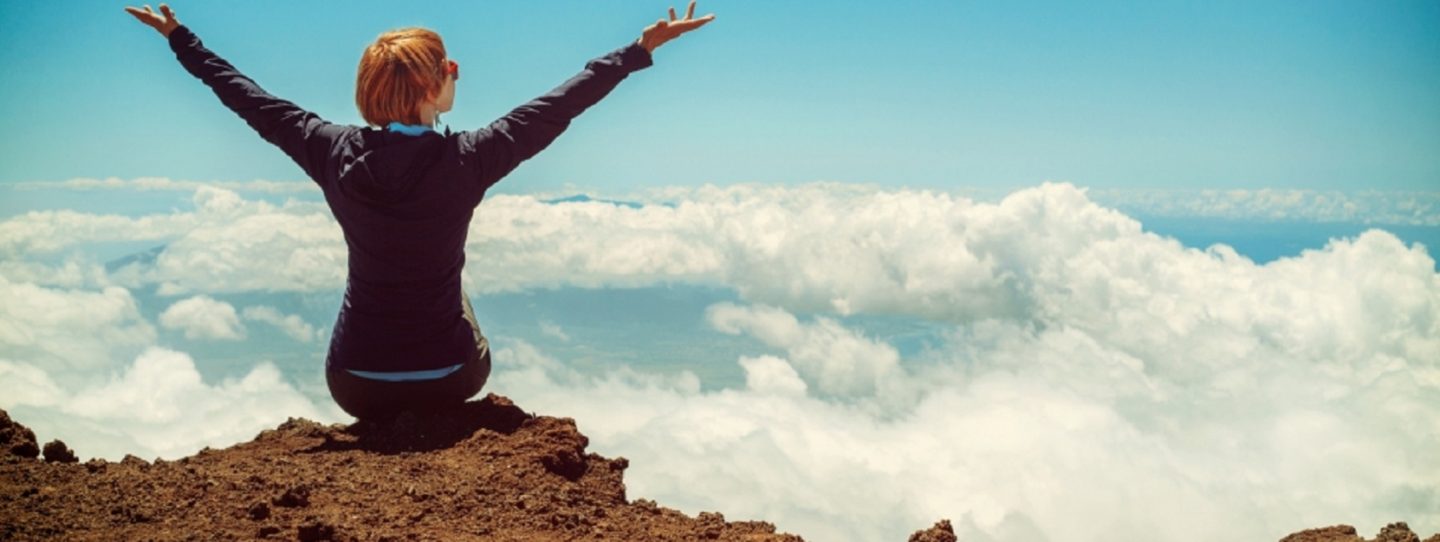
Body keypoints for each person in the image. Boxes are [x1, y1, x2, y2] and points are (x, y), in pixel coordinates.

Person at [124, 3, 716, 421]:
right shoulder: (474, 158)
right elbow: (562, 104)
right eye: (450, 68)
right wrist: (640, 50)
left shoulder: (326, 149)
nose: (455, 74)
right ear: (434, 87)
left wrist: (182, 38)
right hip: (451, 379)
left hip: (354, 385)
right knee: (451, 286)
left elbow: (244, 95)